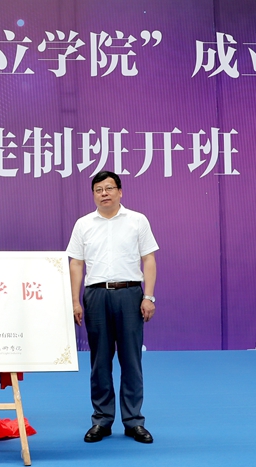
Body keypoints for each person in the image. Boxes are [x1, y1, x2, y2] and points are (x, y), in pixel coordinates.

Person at [66, 170, 158, 444]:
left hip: (130, 294)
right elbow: (76, 264)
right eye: (98, 189)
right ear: (93, 194)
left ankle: (133, 422)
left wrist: (149, 297)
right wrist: (74, 300)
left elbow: (149, 260)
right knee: (100, 362)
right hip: (95, 296)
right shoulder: (83, 224)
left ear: (120, 191)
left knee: (131, 360)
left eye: (109, 188)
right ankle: (102, 420)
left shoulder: (137, 220)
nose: (104, 193)